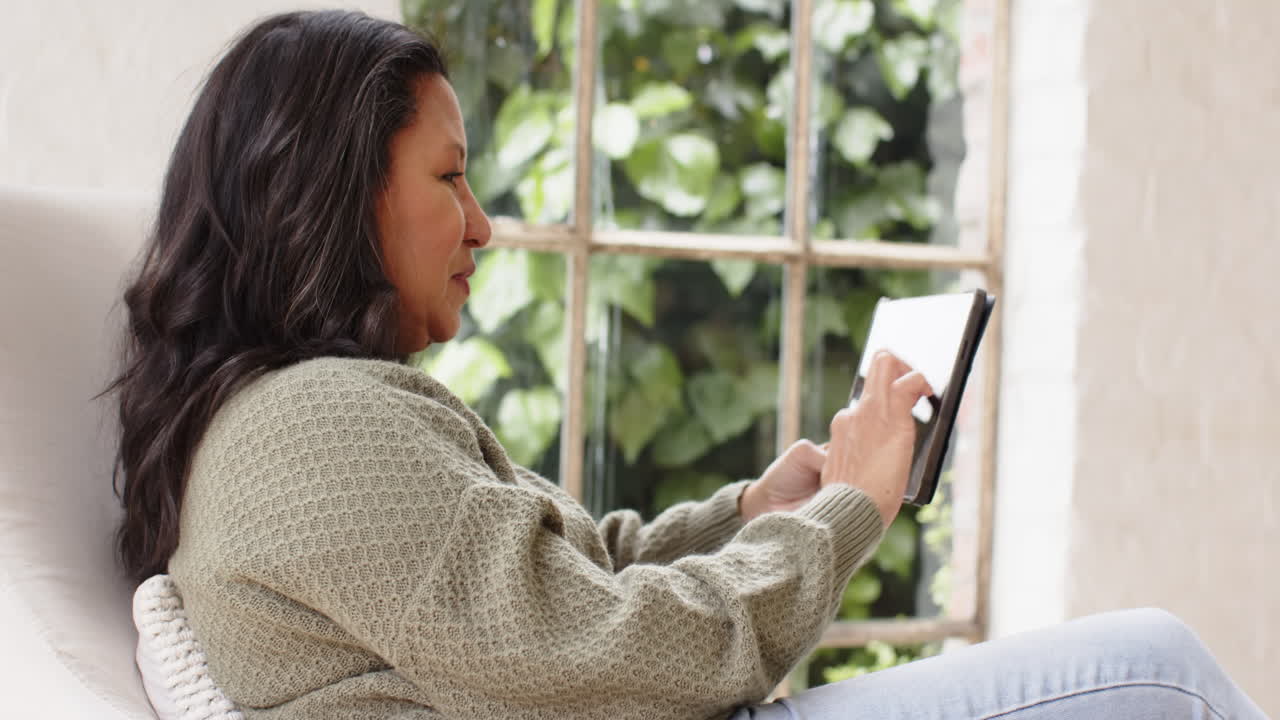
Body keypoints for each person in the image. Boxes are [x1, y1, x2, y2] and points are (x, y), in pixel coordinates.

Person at [107, 10, 1268, 720]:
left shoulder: (304, 421)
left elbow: (561, 594)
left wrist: (751, 512)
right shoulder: (313, 431)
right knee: (1158, 674)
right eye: (449, 177)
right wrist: (848, 513)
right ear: (331, 193)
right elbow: (620, 662)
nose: (483, 224)